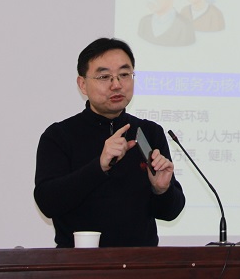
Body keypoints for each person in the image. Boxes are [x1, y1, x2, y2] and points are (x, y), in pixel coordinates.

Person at [34, 38, 185, 247]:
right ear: (82, 84)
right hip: (79, 261)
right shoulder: (60, 135)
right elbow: (47, 203)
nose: (116, 85)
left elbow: (170, 212)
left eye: (124, 74)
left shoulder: (149, 132)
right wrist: (99, 166)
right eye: (104, 77)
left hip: (140, 261)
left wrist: (161, 189)